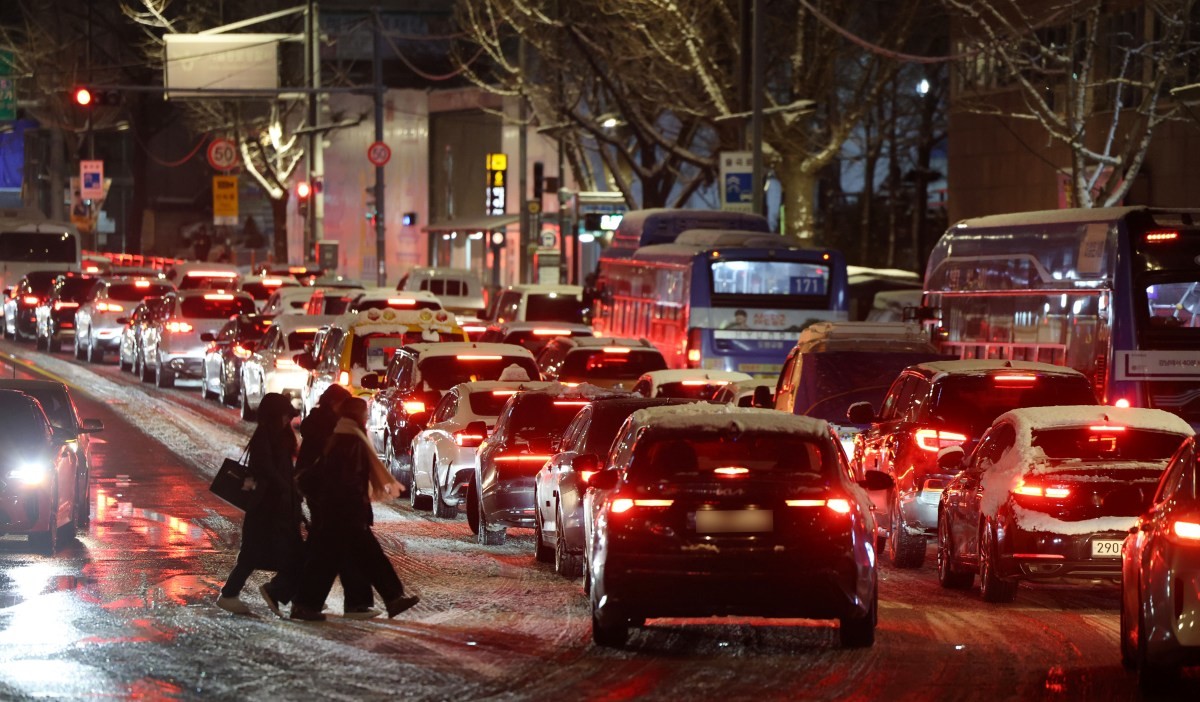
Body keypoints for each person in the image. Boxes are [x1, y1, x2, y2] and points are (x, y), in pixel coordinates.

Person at [291, 398, 419, 621]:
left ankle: (391, 599)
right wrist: (356, 507)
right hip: (345, 512)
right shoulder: (351, 439)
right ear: (358, 415)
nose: (367, 417)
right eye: (365, 413)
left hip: (338, 511)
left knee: (345, 559)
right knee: (344, 559)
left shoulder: (341, 435)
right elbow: (348, 479)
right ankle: (304, 605)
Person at [216, 393, 304, 617]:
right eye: (284, 416)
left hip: (278, 507)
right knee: (256, 554)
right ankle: (231, 594)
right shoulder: (266, 435)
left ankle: (292, 596)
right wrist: (285, 488)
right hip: (268, 509)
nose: (288, 420)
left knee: (285, 553)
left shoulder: (278, 435)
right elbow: (265, 468)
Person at [296, 384, 378, 619]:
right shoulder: (331, 427)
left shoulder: (323, 423)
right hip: (329, 496)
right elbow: (336, 467)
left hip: (327, 495)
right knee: (333, 551)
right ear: (335, 403)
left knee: (329, 550)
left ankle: (300, 597)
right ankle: (296, 596)